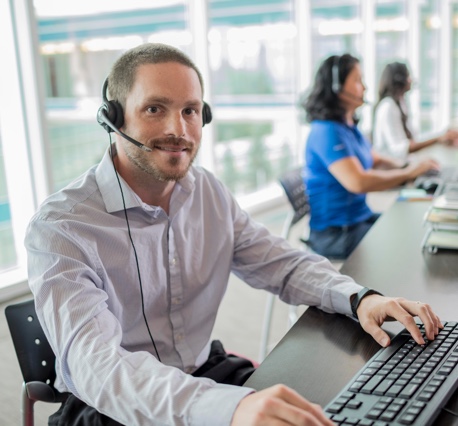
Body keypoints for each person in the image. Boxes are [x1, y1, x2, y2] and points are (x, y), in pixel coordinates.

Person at [25, 43, 443, 426]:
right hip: (109, 405)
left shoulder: (205, 190)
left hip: (203, 371)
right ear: (112, 117)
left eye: (190, 110)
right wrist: (230, 407)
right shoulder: (62, 228)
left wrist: (359, 297)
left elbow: (281, 263)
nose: (179, 129)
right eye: (155, 109)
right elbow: (96, 368)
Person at [301, 54, 440, 260]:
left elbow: (374, 159)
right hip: (338, 233)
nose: (365, 88)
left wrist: (407, 167)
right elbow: (358, 182)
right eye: (358, 81)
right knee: (412, 245)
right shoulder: (326, 131)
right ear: (338, 87)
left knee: (419, 227)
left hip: (360, 219)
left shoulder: (347, 127)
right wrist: (409, 172)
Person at [373, 61, 458, 160]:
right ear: (400, 80)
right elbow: (399, 150)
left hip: (404, 167)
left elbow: (413, 140)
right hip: (392, 170)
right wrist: (437, 138)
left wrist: (441, 137)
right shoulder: (388, 106)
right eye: (408, 76)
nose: (411, 80)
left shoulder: (399, 104)